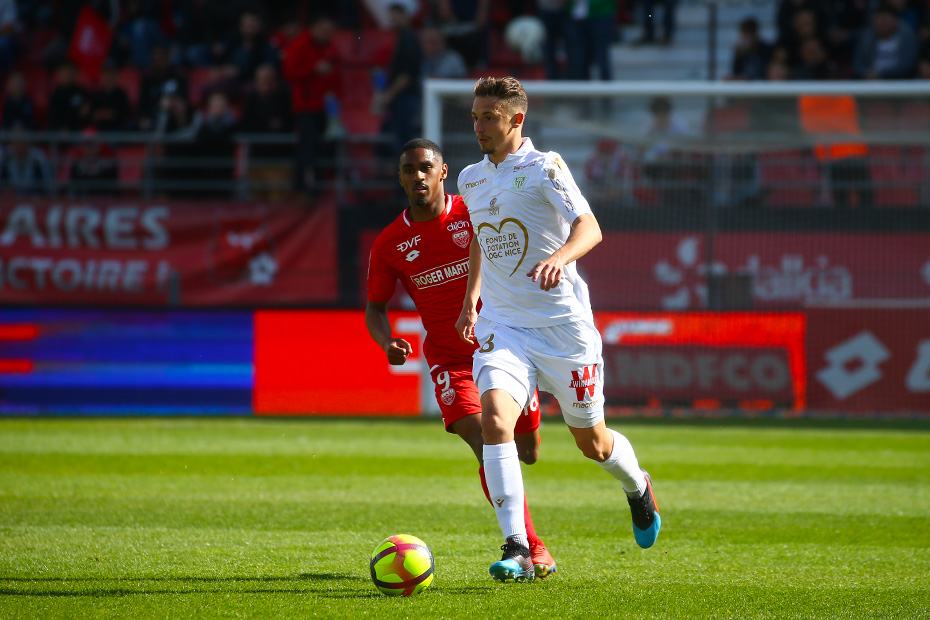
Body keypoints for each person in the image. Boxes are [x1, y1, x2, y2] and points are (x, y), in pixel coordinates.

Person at [455, 76, 660, 583]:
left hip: (563, 330)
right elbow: (481, 236)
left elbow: (589, 226)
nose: (479, 126)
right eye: (475, 117)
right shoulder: (470, 178)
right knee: (494, 421)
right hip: (504, 327)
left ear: (516, 119)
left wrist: (560, 258)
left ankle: (637, 486)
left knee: (594, 445)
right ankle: (518, 547)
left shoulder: (545, 167)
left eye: (489, 117)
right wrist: (471, 302)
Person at [365, 138, 558, 580]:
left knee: (527, 452)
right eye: (409, 169)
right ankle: (530, 548)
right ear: (400, 178)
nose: (418, 175)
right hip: (449, 359)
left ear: (443, 171)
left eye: (425, 167)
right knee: (485, 440)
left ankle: (526, 409)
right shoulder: (390, 243)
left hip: (503, 347)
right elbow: (375, 308)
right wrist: (386, 341)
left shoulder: (474, 212)